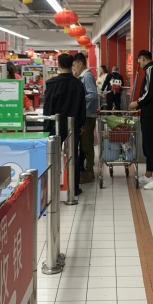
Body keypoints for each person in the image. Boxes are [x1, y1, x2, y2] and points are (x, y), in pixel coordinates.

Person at [43, 53, 86, 196]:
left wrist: (46, 127)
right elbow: (82, 107)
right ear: (72, 65)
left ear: (59, 64)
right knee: (73, 155)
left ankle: (53, 185)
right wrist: (81, 124)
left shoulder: (52, 84)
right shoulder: (78, 84)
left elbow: (48, 108)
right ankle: (74, 187)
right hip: (72, 125)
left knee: (53, 155)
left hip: (55, 125)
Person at [129, 50, 153, 190]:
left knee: (151, 145)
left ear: (143, 58)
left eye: (138, 60)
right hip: (148, 113)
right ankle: (149, 174)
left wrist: (137, 103)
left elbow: (149, 93)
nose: (139, 64)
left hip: (151, 114)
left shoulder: (150, 70)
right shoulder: (151, 70)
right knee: (147, 145)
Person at [72, 53, 99, 183]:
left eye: (74, 65)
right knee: (84, 144)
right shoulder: (83, 76)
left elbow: (93, 94)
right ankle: (87, 171)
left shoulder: (87, 76)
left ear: (80, 63)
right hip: (86, 114)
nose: (74, 68)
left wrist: (80, 101)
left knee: (87, 145)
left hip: (88, 115)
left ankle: (89, 172)